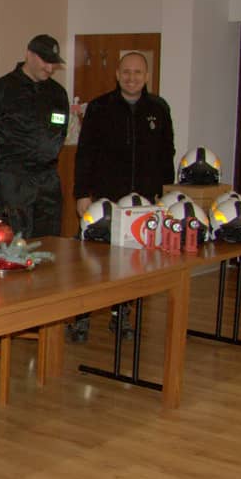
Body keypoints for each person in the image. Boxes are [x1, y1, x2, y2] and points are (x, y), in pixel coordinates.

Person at [71, 51, 176, 342]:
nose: (132, 78)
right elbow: (85, 154)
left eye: (138, 72)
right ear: (117, 75)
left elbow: (166, 153)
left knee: (133, 265)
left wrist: (165, 196)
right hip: (103, 201)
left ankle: (122, 317)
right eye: (126, 72)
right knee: (91, 264)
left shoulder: (158, 108)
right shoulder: (100, 107)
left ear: (147, 76)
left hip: (143, 204)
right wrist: (82, 193)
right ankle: (81, 319)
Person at [0, 34, 70, 240]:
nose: (49, 68)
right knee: (15, 247)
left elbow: (60, 133)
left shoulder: (57, 93)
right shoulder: (1, 90)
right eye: (45, 61)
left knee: (49, 246)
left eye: (53, 63)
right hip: (13, 184)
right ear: (29, 55)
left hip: (47, 184)